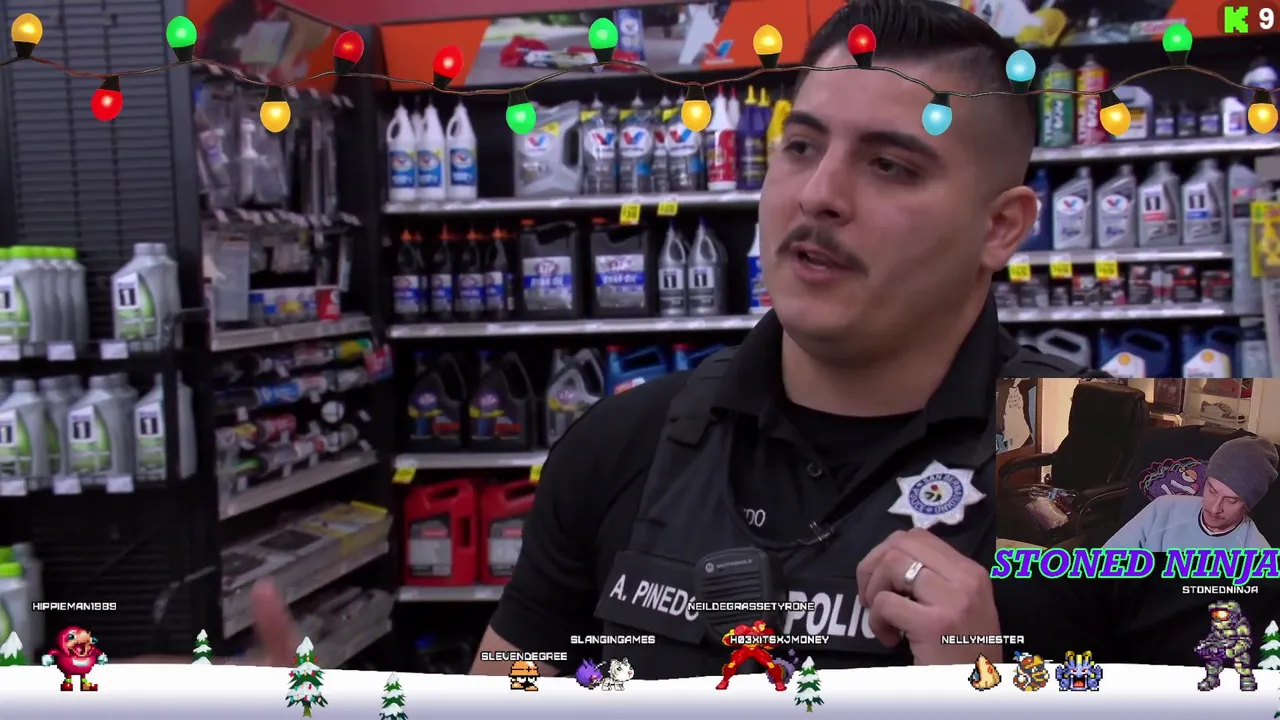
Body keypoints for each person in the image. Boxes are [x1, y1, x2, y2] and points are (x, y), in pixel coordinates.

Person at [243, 0, 1096, 674]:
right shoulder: (622, 443)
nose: (818, 195)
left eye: (890, 165)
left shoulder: (1111, 461)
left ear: (1001, 227)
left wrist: (987, 690)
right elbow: (510, 690)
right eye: (802, 147)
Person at [1104, 436, 1276, 550]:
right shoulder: (1163, 508)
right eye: (1212, 490)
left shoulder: (1255, 551)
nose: (1215, 508)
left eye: (1231, 500)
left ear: (1248, 505)